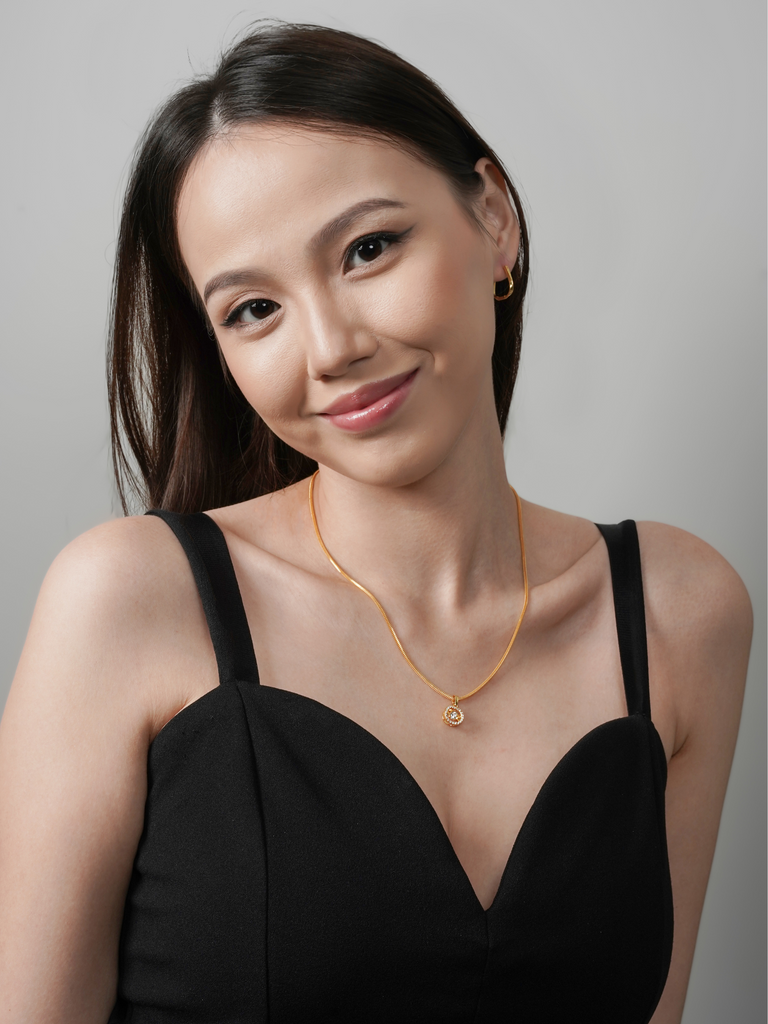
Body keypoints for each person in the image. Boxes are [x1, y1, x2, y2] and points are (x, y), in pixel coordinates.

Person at [0, 21, 752, 1024]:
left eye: (367, 249)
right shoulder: (128, 600)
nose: (330, 348)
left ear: (494, 220)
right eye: (253, 309)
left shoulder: (679, 613)